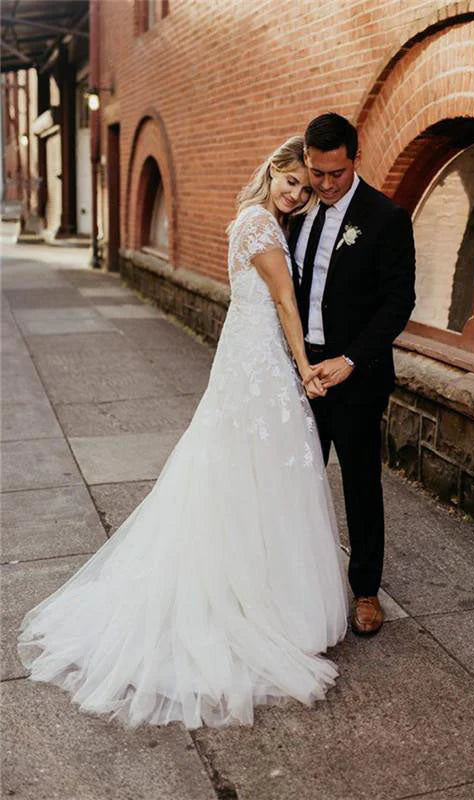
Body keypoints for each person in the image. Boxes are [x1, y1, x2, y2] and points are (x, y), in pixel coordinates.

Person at [17, 136, 348, 731]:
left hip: (245, 357)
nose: (297, 194)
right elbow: (284, 301)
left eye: (304, 186)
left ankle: (262, 587)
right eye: (290, 181)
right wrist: (303, 368)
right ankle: (255, 600)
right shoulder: (263, 227)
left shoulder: (249, 221)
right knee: (263, 470)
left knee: (242, 468)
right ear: (271, 171)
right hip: (261, 364)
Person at [289, 113, 416, 636]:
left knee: (361, 483)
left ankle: (365, 590)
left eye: (334, 174)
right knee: (298, 480)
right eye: (316, 173)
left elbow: (397, 303)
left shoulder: (386, 218)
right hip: (302, 374)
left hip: (355, 376)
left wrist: (349, 361)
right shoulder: (298, 213)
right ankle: (298, 584)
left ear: (354, 160)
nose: (324, 184)